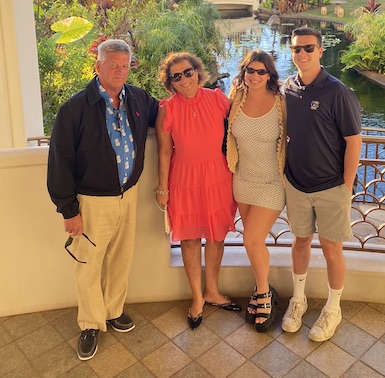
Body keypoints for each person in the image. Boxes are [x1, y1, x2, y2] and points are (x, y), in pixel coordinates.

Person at [47, 39, 159, 360]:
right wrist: (69, 210)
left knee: (120, 258)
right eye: (113, 65)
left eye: (124, 66)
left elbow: (165, 113)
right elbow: (60, 161)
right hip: (92, 201)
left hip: (128, 194)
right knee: (88, 264)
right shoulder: (74, 108)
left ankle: (112, 311)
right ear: (98, 66)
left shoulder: (137, 98)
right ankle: (90, 323)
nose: (120, 71)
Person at [281, 27, 362, 342]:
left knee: (331, 249)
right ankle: (298, 300)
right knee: (300, 242)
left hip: (331, 187)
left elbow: (354, 141)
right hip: (297, 185)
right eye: (296, 49)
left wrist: (346, 186)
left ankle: (333, 308)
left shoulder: (337, 91)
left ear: (320, 51)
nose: (301, 54)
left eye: (307, 48)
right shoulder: (288, 87)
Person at [155, 52, 240, 330]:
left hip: (218, 177)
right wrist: (162, 188)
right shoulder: (167, 109)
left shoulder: (217, 99)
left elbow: (243, 119)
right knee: (190, 240)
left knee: (216, 236)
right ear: (169, 82)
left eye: (188, 72)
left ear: (198, 72)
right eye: (176, 76)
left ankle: (213, 290)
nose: (183, 80)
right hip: (184, 180)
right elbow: (165, 152)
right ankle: (197, 298)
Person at [225, 50, 287, 332]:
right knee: (253, 242)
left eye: (261, 72)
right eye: (250, 70)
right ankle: (261, 287)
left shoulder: (281, 102)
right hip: (243, 180)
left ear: (270, 75)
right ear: (244, 71)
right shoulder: (235, 97)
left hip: (272, 183)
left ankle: (263, 292)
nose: (255, 76)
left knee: (251, 239)